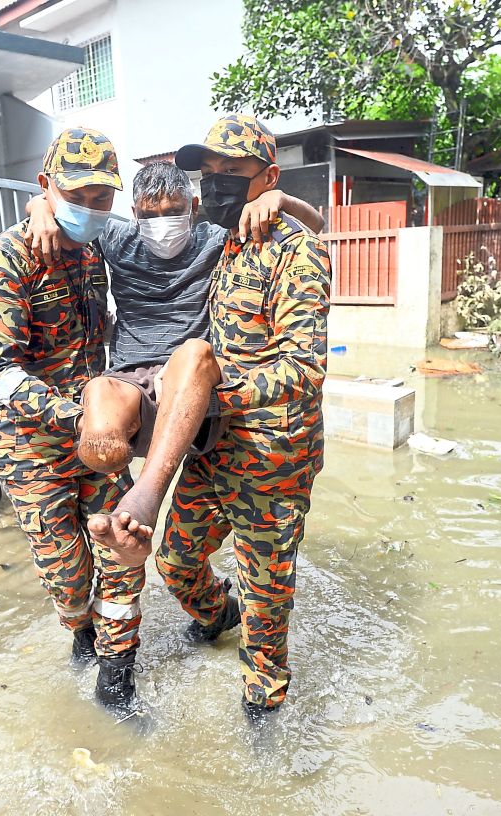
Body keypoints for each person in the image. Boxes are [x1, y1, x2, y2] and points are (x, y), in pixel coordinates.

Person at [25, 163, 324, 568]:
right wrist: (39, 208)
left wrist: (279, 199)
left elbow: (315, 224)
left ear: (194, 207)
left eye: (173, 211)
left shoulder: (216, 236)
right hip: (130, 378)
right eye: (149, 215)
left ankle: (145, 500)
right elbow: (63, 207)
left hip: (188, 380)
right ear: (134, 214)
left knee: (193, 353)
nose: (161, 222)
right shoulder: (116, 239)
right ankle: (124, 530)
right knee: (97, 401)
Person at [157, 114, 331, 723]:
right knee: (174, 559)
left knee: (266, 590)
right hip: (217, 444)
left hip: (273, 453)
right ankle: (215, 614)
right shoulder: (228, 240)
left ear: (268, 177)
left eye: (233, 173)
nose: (217, 185)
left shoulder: (295, 253)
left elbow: (305, 368)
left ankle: (265, 699)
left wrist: (210, 397)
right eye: (210, 174)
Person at [0, 127, 143, 712]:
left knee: (122, 546)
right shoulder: (2, 261)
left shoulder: (96, 249)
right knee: (67, 572)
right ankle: (81, 630)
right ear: (46, 187)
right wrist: (80, 416)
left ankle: (117, 672)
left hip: (98, 437)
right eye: (78, 197)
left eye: (103, 199)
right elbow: (2, 374)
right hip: (31, 446)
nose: (92, 210)